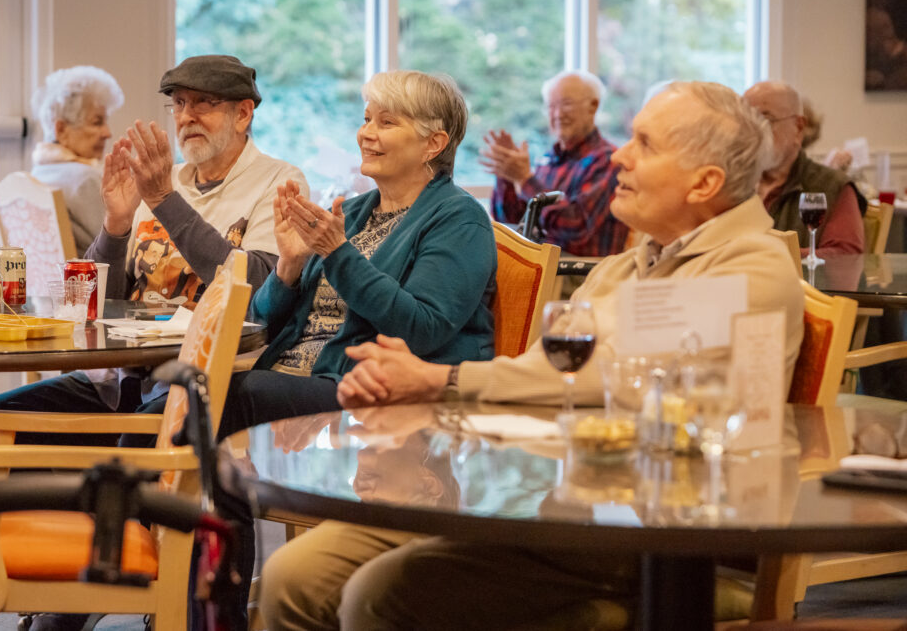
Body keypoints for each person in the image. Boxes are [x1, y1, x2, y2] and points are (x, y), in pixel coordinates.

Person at [259, 81, 806, 631]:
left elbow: (608, 378)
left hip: (642, 532)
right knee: (296, 575)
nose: (619, 155)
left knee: (381, 595)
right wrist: (428, 383)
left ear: (705, 183)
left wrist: (439, 379)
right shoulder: (625, 267)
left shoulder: (750, 270)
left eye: (645, 144)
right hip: (550, 501)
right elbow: (549, 372)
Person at [0, 54, 307, 447]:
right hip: (120, 379)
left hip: (200, 382)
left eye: (204, 103)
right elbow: (88, 302)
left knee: (129, 447)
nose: (187, 117)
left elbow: (258, 288)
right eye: (179, 103)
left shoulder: (278, 181)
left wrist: (165, 201)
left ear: (243, 114)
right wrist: (115, 226)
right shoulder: (164, 179)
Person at [216, 68, 497, 440]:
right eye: (366, 119)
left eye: (386, 122)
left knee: (223, 396)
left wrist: (337, 253)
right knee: (186, 391)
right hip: (290, 378)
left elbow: (421, 330)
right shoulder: (350, 213)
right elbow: (261, 325)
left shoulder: (460, 220)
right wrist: (289, 266)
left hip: (368, 391)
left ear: (433, 144)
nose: (366, 133)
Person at [485, 70, 629, 256]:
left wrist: (525, 179)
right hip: (540, 265)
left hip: (579, 270)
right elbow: (513, 223)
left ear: (593, 106)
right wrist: (508, 177)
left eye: (566, 104)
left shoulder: (608, 160)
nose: (558, 114)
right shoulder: (548, 160)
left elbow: (576, 227)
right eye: (551, 106)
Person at [743, 81, 866, 257]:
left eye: (765, 120)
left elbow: (845, 258)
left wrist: (768, 253)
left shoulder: (832, 185)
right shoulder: (732, 183)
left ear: (799, 127)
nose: (754, 132)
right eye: (746, 121)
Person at [30, 65, 124, 252]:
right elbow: (120, 250)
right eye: (97, 122)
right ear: (61, 129)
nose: (107, 133)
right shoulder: (85, 179)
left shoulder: (37, 174)